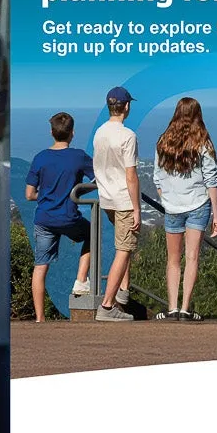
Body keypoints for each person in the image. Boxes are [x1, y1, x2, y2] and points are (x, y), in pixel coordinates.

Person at [151, 96, 217, 321]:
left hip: (172, 207)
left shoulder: (163, 142)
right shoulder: (203, 143)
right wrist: (216, 215)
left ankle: (171, 307)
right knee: (192, 257)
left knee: (173, 259)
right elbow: (211, 181)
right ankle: (185, 308)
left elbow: (157, 178)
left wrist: (167, 199)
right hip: (199, 204)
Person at [23, 112, 95, 322]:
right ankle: (81, 280)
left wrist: (47, 196)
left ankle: (39, 318)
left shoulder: (40, 157)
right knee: (92, 233)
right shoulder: (78, 156)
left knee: (40, 266)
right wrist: (76, 193)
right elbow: (98, 179)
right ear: (72, 133)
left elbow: (29, 194)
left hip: (44, 217)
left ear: (51, 132)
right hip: (68, 216)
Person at [91, 85, 142, 323]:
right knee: (124, 250)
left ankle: (122, 294)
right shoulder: (128, 136)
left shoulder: (99, 132)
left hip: (106, 198)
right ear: (127, 107)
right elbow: (131, 175)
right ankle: (108, 304)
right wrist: (138, 208)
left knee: (123, 247)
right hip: (123, 200)